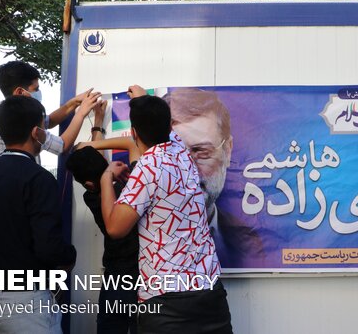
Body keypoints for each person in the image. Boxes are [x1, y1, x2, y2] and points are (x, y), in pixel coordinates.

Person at [99, 95, 232, 333]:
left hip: (165, 304)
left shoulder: (146, 169)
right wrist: (142, 96)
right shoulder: (181, 150)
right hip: (209, 295)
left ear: (134, 132)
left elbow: (115, 228)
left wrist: (105, 180)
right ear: (170, 126)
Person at [0, 95, 77, 334]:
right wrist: (69, 255)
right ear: (36, 132)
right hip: (25, 305)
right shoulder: (39, 178)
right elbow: (48, 246)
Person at [164, 87, 264, 267]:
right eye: (173, 154)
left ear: (227, 150)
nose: (188, 169)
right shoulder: (137, 228)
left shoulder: (250, 244)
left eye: (201, 152)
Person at [66, 146, 139, 334]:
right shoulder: (132, 188)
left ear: (89, 185)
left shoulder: (91, 196)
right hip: (142, 275)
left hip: (115, 277)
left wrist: (106, 173)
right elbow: (132, 142)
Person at [0, 60, 101, 161]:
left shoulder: (7, 113)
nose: (38, 92)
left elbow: (50, 121)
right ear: (20, 92)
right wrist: (81, 112)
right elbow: (62, 146)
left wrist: (74, 102)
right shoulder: (18, 116)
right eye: (36, 89)